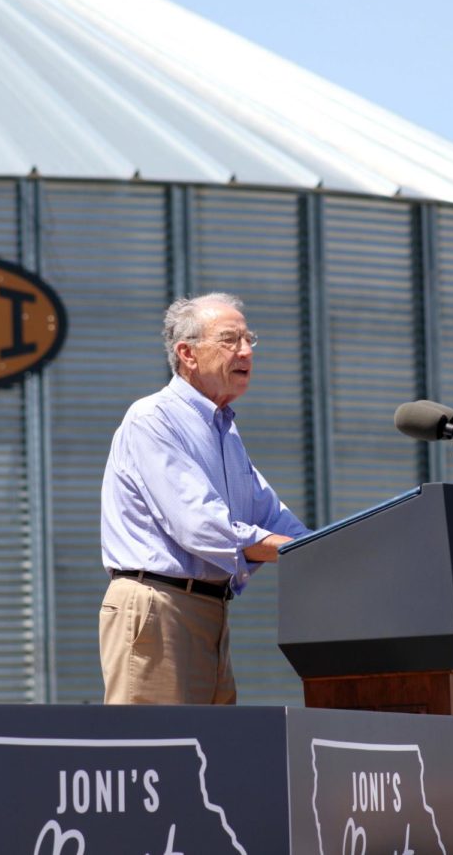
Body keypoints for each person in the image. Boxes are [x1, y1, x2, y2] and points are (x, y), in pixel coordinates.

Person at [99, 292, 307, 705]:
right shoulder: (153, 419)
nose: (246, 351)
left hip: (210, 610)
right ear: (187, 353)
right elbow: (201, 526)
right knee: (156, 754)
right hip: (158, 608)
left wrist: (334, 547)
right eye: (230, 340)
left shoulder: (225, 432)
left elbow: (274, 518)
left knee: (210, 758)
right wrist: (301, 551)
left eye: (249, 339)